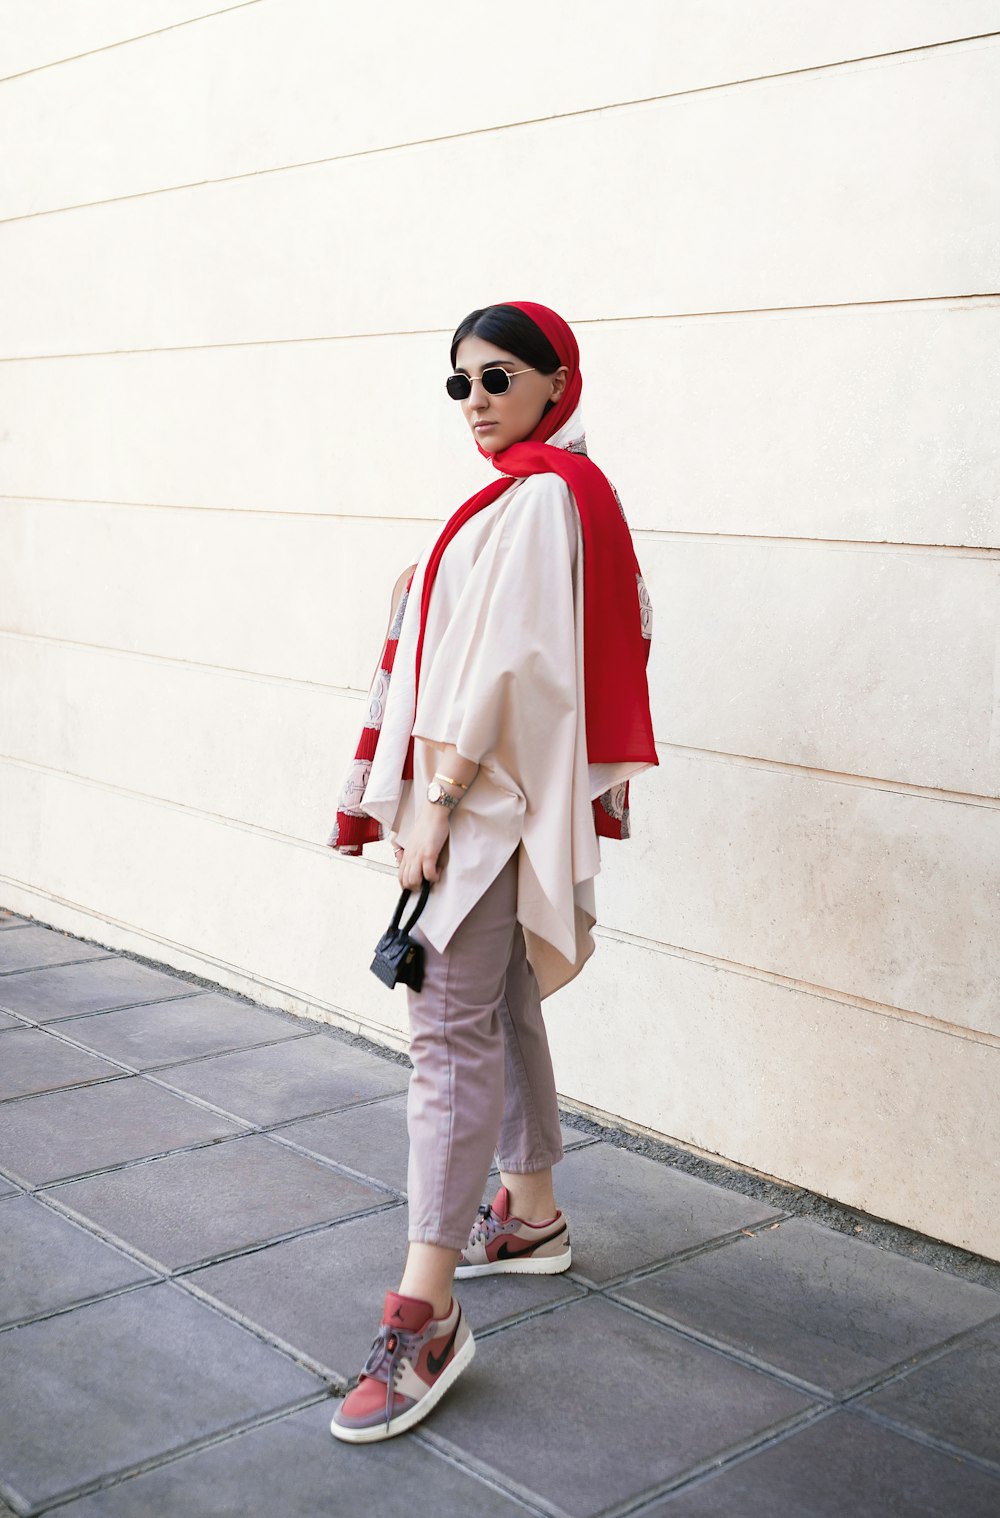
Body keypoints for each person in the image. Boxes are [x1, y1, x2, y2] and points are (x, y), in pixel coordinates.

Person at [325, 301, 656, 1442]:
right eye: (458, 382)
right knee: (497, 1001)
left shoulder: (544, 496)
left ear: (556, 382)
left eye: (497, 377)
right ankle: (529, 1213)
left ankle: (425, 1315)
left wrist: (439, 803)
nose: (474, 400)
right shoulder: (546, 490)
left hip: (482, 803)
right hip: (495, 798)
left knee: (443, 1034)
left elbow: (512, 660)